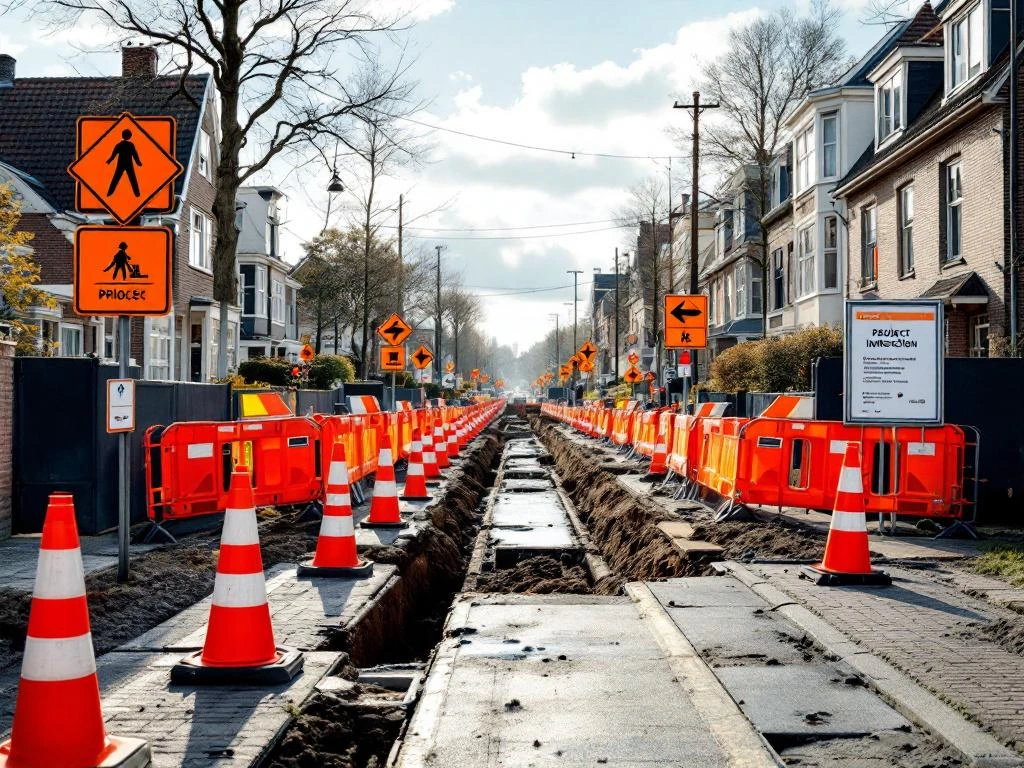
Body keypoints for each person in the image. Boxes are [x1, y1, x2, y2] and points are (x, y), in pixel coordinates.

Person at [106, 129, 142, 197]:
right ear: (129, 136)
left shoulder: (119, 144)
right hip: (128, 164)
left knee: (116, 178)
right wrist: (138, 162)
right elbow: (135, 154)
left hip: (121, 164)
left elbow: (113, 155)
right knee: (132, 178)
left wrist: (109, 161)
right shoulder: (130, 145)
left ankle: (109, 193)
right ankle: (137, 194)